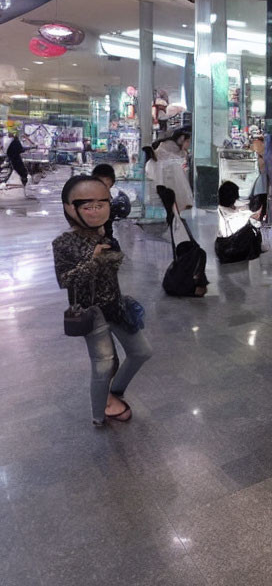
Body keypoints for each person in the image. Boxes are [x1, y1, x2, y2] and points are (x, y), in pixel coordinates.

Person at [52, 175, 152, 427]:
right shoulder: (63, 243)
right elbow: (65, 280)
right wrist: (93, 260)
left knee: (141, 352)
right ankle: (100, 413)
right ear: (70, 208)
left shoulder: (104, 234)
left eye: (102, 204)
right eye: (88, 206)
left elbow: (117, 266)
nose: (96, 211)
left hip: (115, 305)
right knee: (103, 364)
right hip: (90, 312)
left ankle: (115, 391)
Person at [215, 181, 264, 264]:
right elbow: (256, 216)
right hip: (229, 250)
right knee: (250, 230)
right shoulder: (235, 216)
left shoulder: (222, 209)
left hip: (221, 248)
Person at [147, 128, 194, 210]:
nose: (188, 144)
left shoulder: (176, 149)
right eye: (187, 141)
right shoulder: (169, 147)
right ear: (182, 139)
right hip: (163, 176)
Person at [6, 133, 36, 199]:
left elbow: (9, 152)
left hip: (14, 160)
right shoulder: (16, 142)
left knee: (21, 172)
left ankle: (23, 187)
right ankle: (23, 188)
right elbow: (21, 150)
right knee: (23, 173)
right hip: (16, 160)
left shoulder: (12, 143)